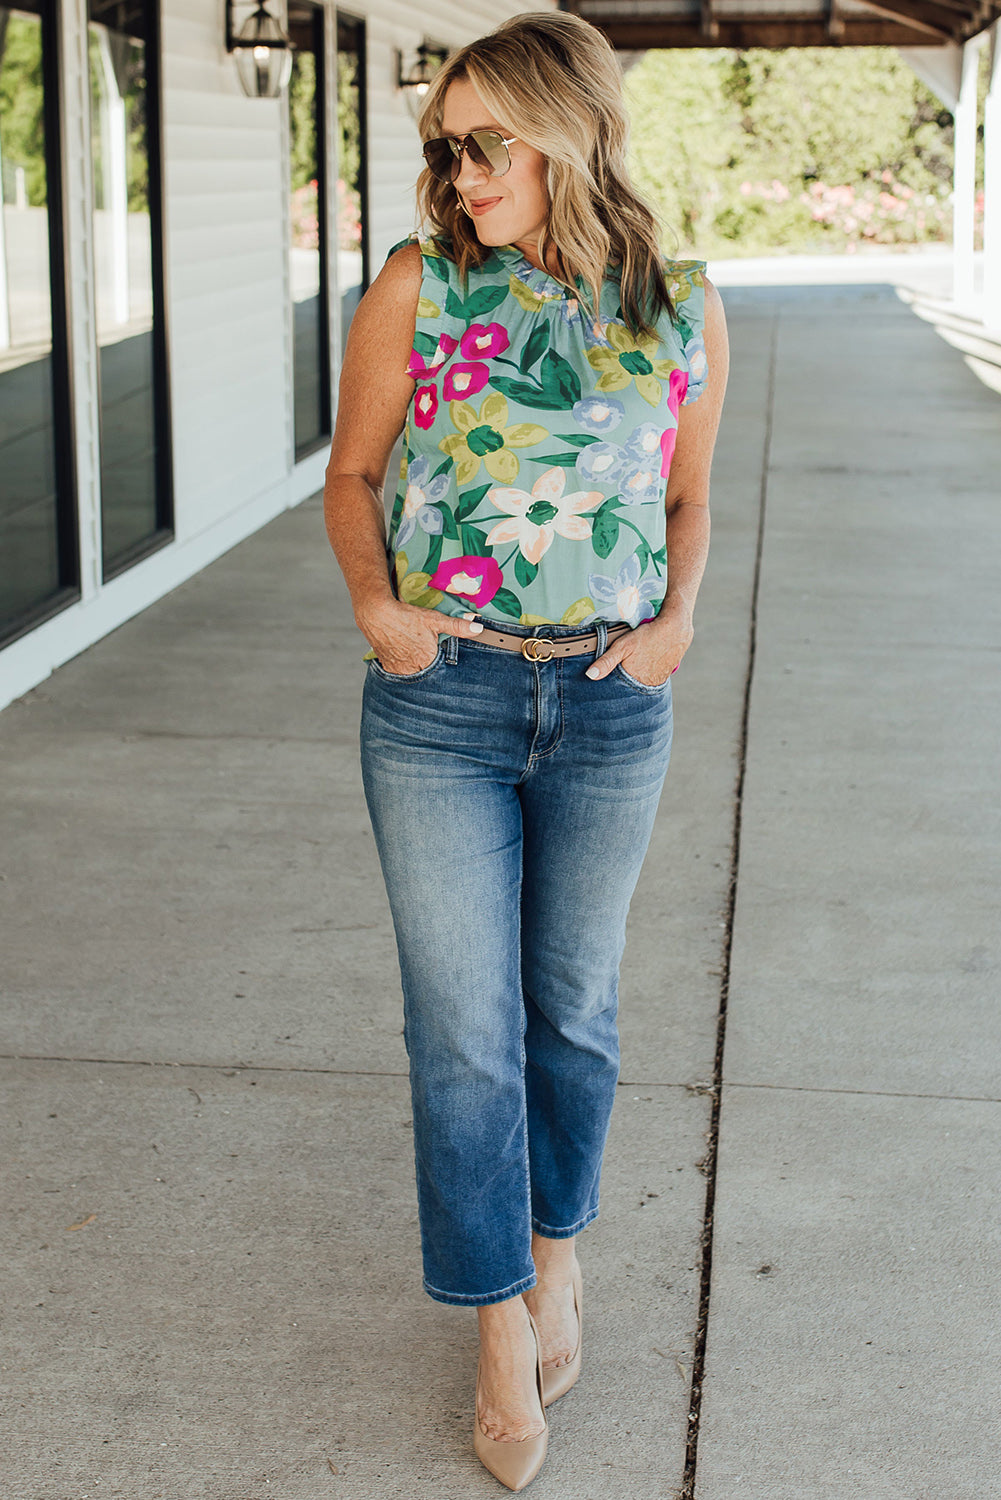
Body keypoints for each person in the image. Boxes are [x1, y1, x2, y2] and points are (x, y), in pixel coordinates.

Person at [323, 11, 729, 1490]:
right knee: (464, 1031)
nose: (457, 167)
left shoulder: (678, 304)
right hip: (443, 702)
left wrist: (680, 618)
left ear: (567, 128)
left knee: (572, 1008)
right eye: (444, 144)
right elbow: (355, 470)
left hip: (614, 703)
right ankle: (496, 1324)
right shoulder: (422, 287)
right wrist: (376, 602)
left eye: (484, 140)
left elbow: (686, 501)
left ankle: (559, 1254)